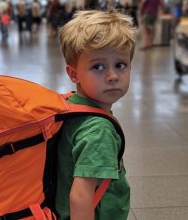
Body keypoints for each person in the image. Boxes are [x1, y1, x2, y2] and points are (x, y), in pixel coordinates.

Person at [56, 10, 136, 220]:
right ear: (74, 74)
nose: (112, 76)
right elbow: (81, 196)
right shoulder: (99, 130)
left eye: (120, 65)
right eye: (98, 66)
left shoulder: (70, 105)